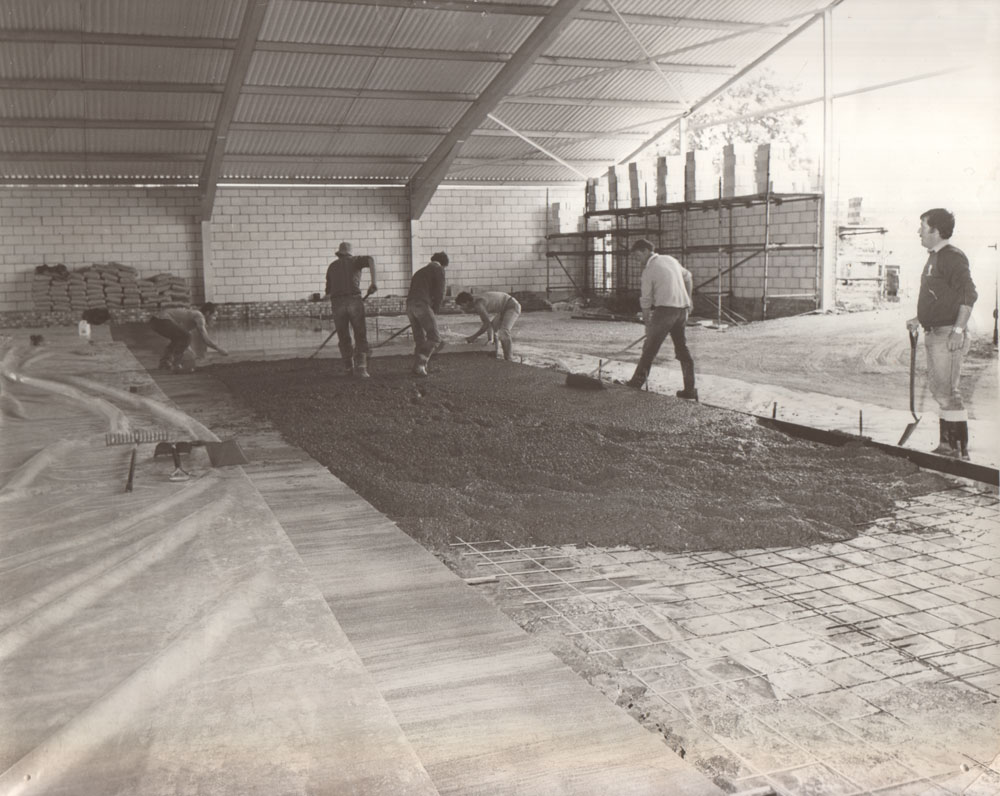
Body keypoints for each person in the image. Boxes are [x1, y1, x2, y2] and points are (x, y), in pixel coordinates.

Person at [906, 208, 978, 459]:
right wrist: (920, 318)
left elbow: (969, 295)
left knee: (948, 392)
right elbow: (942, 298)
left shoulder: (952, 257)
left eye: (923, 227)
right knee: (941, 391)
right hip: (936, 331)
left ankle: (958, 450)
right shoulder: (935, 257)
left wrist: (958, 330)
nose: (919, 232)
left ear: (936, 231)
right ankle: (947, 446)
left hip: (947, 333)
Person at [625, 238, 697, 399]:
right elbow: (688, 277)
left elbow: (645, 300)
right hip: (682, 311)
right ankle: (690, 389)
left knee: (649, 348)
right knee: (682, 349)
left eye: (637, 256)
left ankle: (636, 383)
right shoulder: (670, 259)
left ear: (645, 251)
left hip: (665, 311)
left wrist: (647, 322)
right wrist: (689, 299)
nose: (637, 261)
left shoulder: (649, 270)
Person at [325, 241, 377, 378]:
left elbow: (328, 293)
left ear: (339, 254)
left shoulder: (331, 267)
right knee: (360, 335)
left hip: (337, 303)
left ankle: (348, 368)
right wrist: (374, 282)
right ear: (349, 253)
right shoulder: (355, 261)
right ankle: (361, 369)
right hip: (354, 299)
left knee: (343, 336)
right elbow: (371, 259)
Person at [150, 302, 228, 371]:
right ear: (207, 313)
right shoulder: (200, 316)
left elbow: (185, 343)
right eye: (214, 315)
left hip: (154, 322)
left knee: (178, 339)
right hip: (162, 320)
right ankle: (177, 364)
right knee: (186, 336)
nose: (215, 319)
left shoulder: (191, 319)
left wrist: (194, 356)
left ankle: (164, 363)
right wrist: (218, 349)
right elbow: (205, 338)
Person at [406, 252, 449, 377]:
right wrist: (435, 309)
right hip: (422, 305)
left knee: (419, 339)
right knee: (435, 338)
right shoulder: (439, 270)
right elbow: (440, 292)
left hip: (410, 306)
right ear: (444, 264)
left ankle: (417, 366)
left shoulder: (419, 271)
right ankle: (420, 365)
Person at [456, 290, 521, 360]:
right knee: (494, 328)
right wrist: (490, 339)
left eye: (462, 305)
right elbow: (489, 325)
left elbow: (486, 324)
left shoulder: (478, 304)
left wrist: (473, 337)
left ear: (467, 302)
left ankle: (508, 358)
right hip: (504, 308)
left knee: (504, 331)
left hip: (512, 306)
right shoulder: (477, 301)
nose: (462, 308)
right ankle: (494, 352)